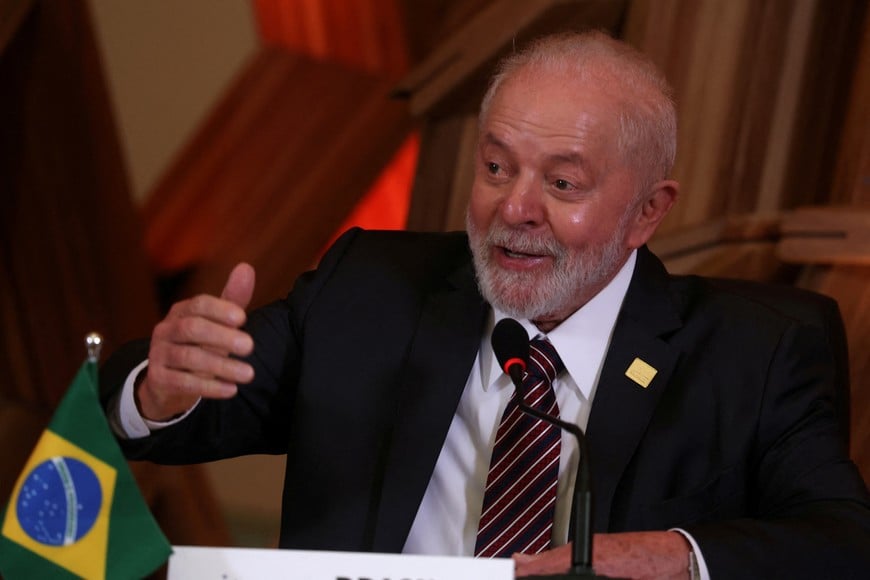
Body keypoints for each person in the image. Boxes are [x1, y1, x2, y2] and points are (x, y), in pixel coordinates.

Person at [101, 31, 870, 578]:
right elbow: (152, 408)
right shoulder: (369, 287)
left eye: (562, 184)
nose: (515, 209)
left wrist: (679, 555)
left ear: (647, 211)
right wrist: (157, 389)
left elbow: (844, 541)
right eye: (497, 166)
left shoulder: (758, 349)